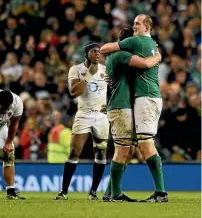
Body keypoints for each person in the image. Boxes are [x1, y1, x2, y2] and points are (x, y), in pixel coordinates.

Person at [100, 14, 168, 203]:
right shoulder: (122, 55)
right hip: (123, 107)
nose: (135, 26)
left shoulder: (126, 53)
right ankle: (115, 194)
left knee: (129, 149)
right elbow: (145, 63)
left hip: (137, 101)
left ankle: (111, 193)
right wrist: (157, 56)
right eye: (134, 24)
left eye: (138, 23)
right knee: (128, 148)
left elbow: (128, 68)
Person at [55, 41, 109, 200]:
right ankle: (63, 192)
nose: (97, 54)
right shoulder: (76, 69)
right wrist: (89, 75)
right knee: (74, 152)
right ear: (86, 53)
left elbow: (114, 89)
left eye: (99, 52)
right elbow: (74, 92)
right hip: (84, 114)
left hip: (101, 116)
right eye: (94, 51)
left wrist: (110, 105)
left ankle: (93, 192)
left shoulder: (105, 70)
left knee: (101, 152)